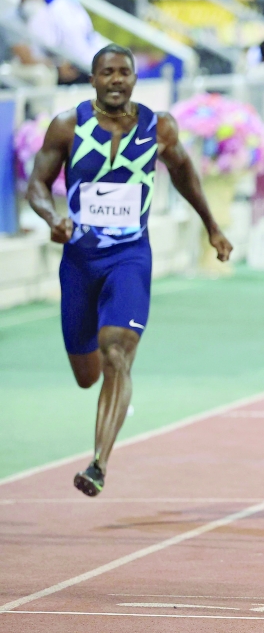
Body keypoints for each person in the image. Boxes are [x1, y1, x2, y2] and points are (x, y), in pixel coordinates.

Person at [26, 44, 233, 497]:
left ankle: (98, 463)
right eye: (107, 73)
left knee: (117, 349)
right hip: (80, 261)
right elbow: (37, 185)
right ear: (93, 79)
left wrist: (212, 227)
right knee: (87, 373)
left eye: (124, 72)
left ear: (135, 79)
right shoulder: (68, 125)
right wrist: (52, 219)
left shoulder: (158, 126)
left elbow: (184, 174)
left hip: (130, 256)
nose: (116, 80)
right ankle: (111, 389)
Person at [29, 0, 109, 84]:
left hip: (87, 61)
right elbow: (50, 43)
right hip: (72, 66)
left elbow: (90, 36)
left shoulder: (76, 7)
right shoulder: (53, 8)